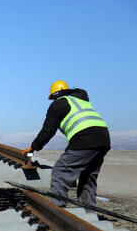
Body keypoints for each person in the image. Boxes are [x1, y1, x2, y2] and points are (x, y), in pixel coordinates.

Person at [22, 80, 110, 208]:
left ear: (56, 95)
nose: (52, 101)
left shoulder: (59, 104)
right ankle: (89, 212)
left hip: (84, 139)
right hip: (104, 139)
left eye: (52, 98)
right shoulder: (81, 101)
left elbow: (48, 131)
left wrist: (34, 147)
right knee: (88, 177)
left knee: (59, 172)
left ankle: (58, 211)